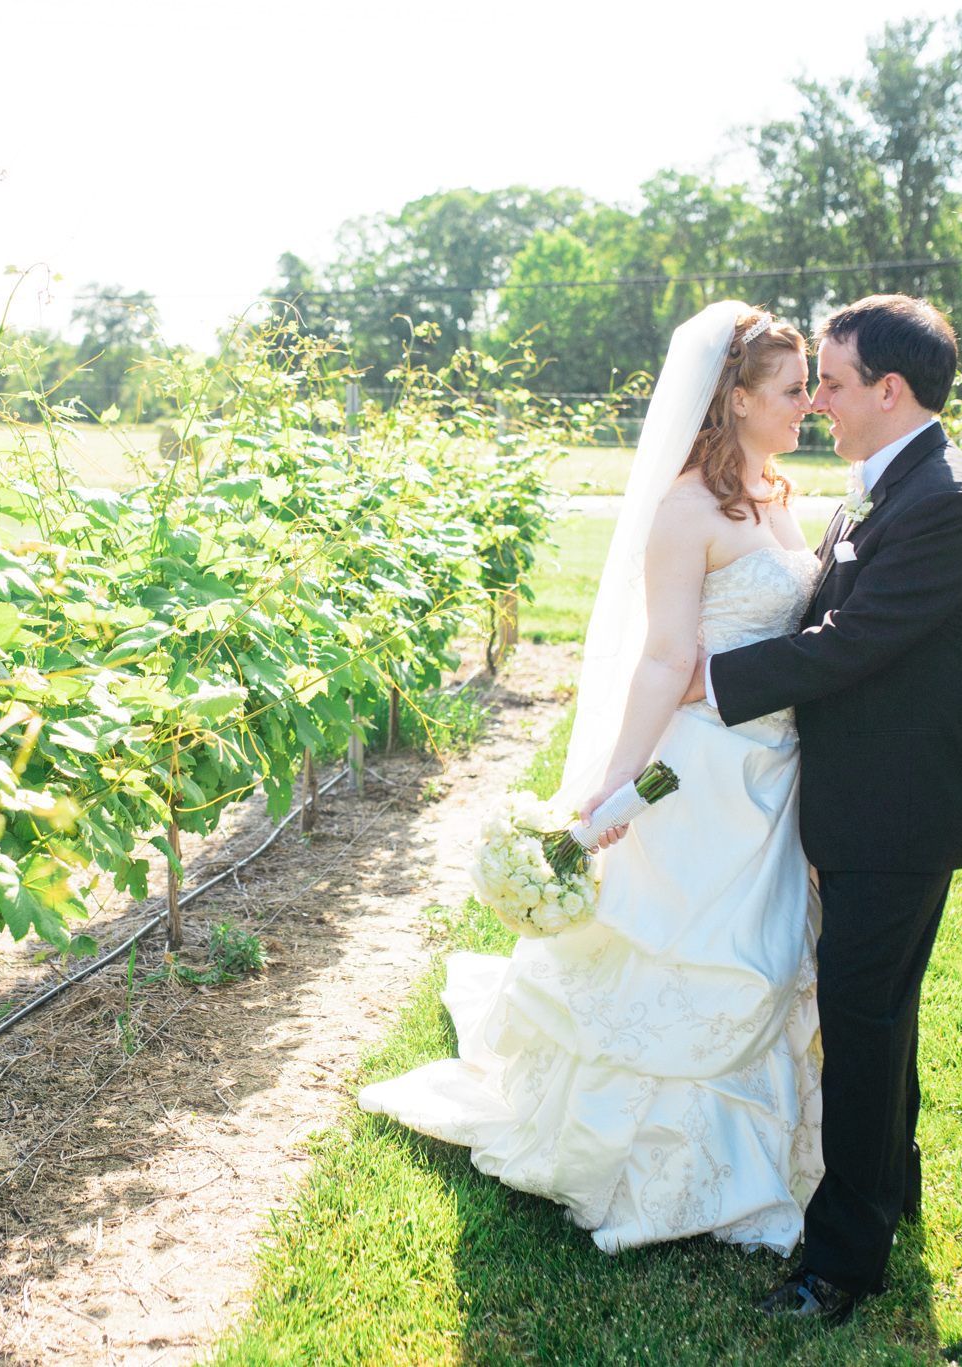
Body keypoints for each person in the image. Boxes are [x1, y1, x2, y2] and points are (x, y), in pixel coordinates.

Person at [358, 300, 826, 1255]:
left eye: (811, 386)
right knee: (693, 954)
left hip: (776, 773)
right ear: (734, 398)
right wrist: (616, 786)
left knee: (774, 956)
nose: (809, 404)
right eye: (791, 388)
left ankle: (766, 1156)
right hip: (699, 773)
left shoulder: (780, 491)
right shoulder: (684, 510)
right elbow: (662, 660)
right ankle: (648, 1163)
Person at [682, 294, 962, 1323]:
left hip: (897, 813)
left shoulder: (944, 502)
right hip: (870, 804)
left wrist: (711, 678)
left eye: (828, 380)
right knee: (879, 1014)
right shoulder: (884, 493)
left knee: (859, 1027)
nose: (815, 399)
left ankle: (839, 1262)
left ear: (888, 389)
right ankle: (889, 1190)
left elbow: (847, 646)